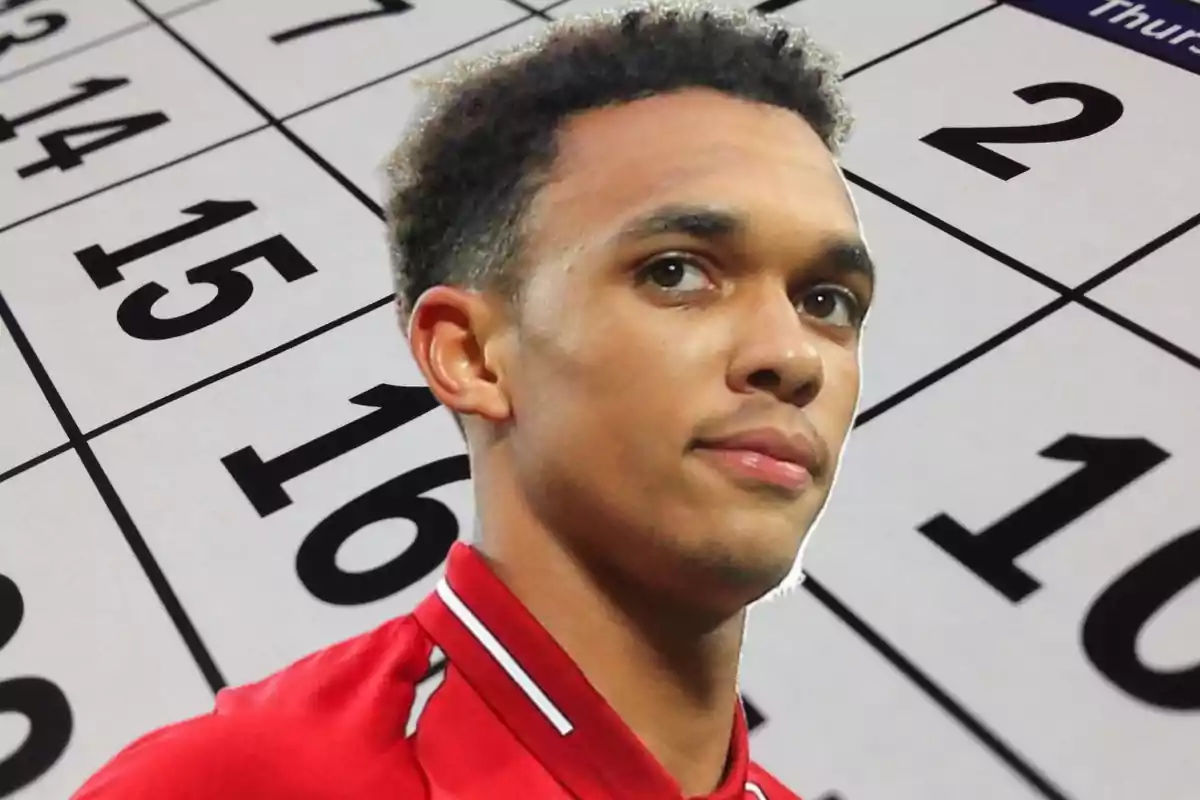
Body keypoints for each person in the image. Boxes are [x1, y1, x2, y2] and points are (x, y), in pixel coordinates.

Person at [71, 2, 873, 798]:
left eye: (827, 300)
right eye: (676, 272)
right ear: (469, 355)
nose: (794, 355)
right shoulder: (231, 785)